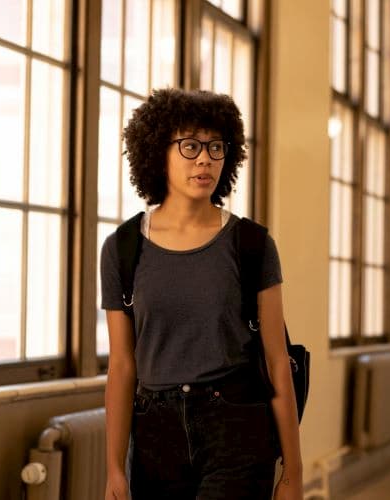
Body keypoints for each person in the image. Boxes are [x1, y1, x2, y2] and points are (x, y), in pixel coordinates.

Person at [100, 88, 302, 500]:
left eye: (215, 146)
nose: (205, 158)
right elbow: (122, 366)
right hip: (155, 435)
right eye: (190, 146)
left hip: (236, 427)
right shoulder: (122, 248)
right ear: (158, 151)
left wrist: (293, 473)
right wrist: (114, 470)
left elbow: (278, 362)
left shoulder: (252, 244)